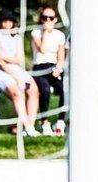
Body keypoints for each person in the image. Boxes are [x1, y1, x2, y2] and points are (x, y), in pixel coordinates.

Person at [0, 9, 40, 137]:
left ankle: (30, 126)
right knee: (17, 92)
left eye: (9, 21)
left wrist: (4, 57)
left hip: (15, 69)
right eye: (4, 21)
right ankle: (27, 126)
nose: (7, 24)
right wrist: (11, 68)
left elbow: (19, 59)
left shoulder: (17, 38)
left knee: (33, 90)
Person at [31, 6, 66, 136]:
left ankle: (60, 122)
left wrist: (59, 68)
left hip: (54, 67)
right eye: (45, 18)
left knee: (64, 89)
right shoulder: (36, 32)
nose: (48, 20)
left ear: (55, 19)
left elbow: (61, 57)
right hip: (39, 67)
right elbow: (43, 49)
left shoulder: (60, 35)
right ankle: (44, 123)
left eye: (51, 18)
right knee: (45, 90)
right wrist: (46, 32)